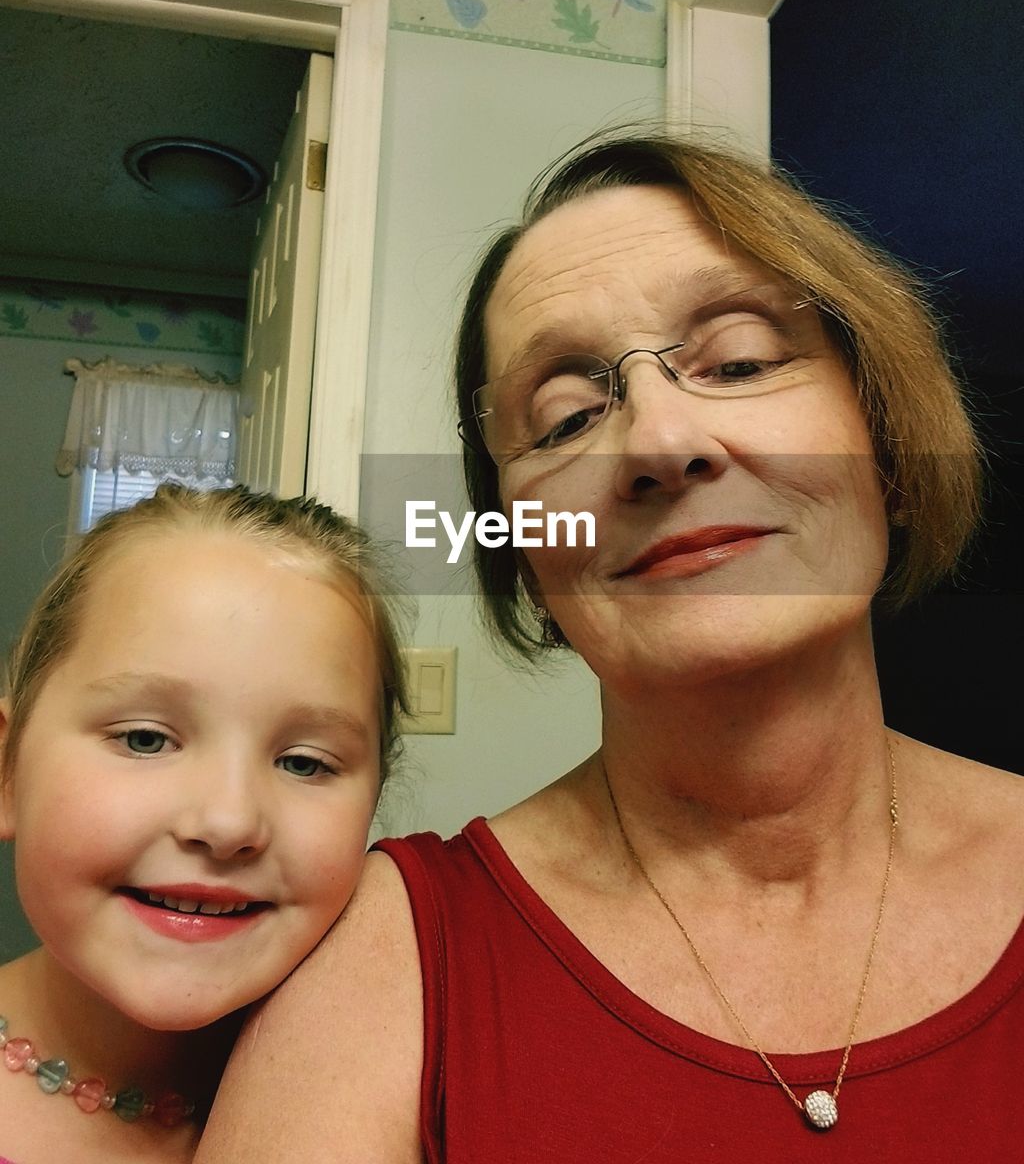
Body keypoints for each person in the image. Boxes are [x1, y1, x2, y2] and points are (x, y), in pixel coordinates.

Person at [196, 133, 1024, 1162]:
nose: (662, 441)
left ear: (888, 453)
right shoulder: (396, 951)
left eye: (739, 361)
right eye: (568, 416)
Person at [0, 483, 407, 1164]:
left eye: (305, 763)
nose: (226, 822)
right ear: (8, 775)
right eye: (144, 740)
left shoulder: (398, 1105)